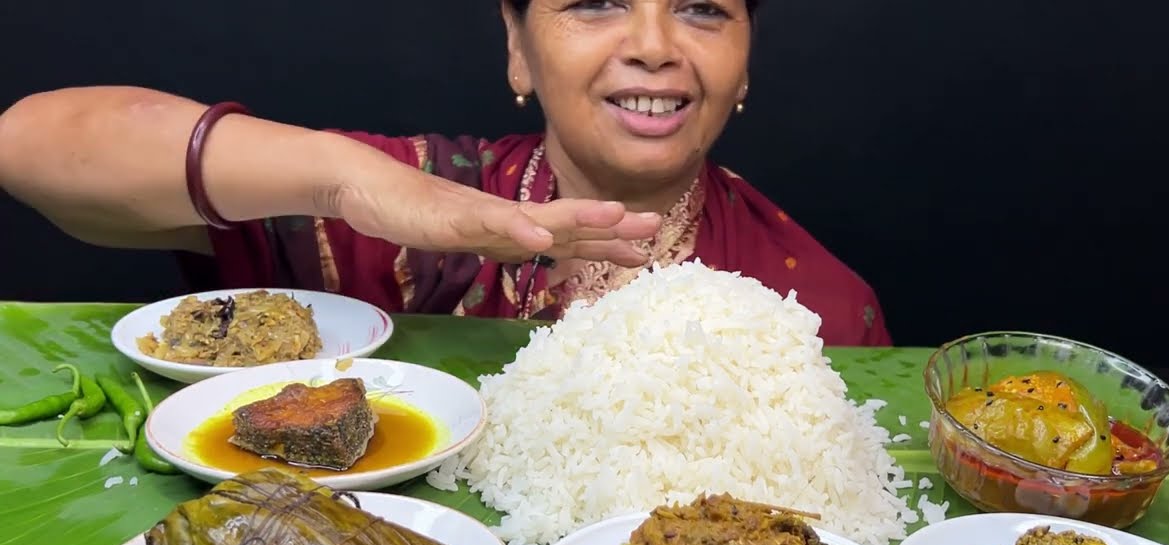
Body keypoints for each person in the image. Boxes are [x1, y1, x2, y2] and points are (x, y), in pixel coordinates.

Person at [0, 0, 891, 345]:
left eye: (702, 9)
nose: (654, 48)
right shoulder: (397, 201)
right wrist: (341, 183)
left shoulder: (821, 301)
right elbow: (30, 145)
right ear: (517, 46)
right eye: (594, 3)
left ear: (745, 65)